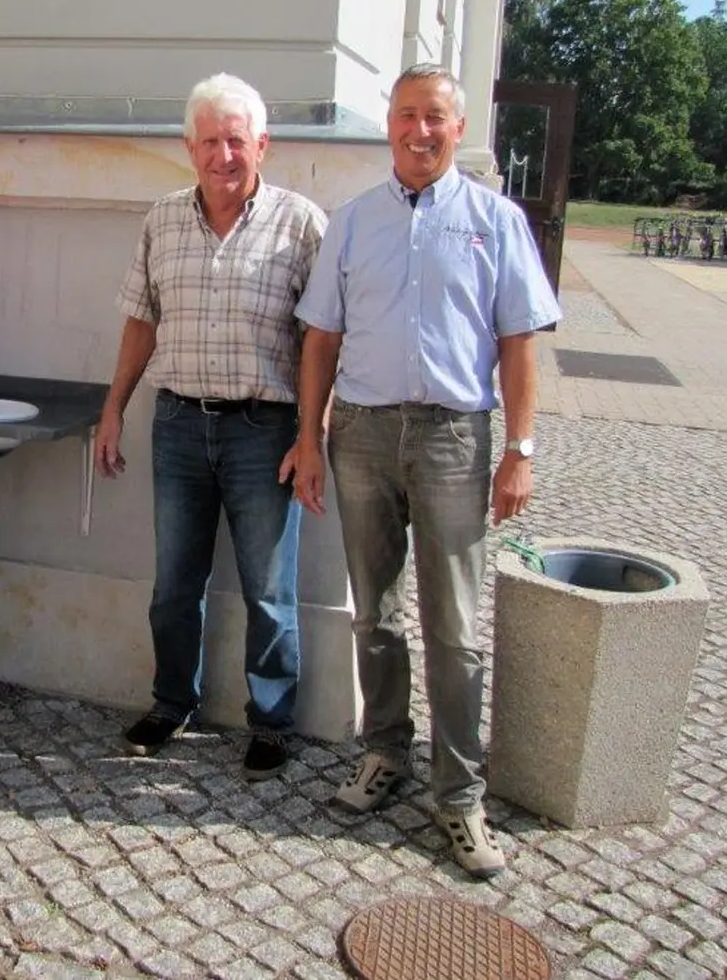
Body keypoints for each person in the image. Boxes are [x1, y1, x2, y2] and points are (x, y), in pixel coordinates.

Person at [281, 63, 562, 879]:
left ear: (457, 126)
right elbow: (320, 340)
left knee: (456, 628)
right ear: (389, 126)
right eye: (406, 115)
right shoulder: (354, 221)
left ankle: (460, 795)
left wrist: (520, 450)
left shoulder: (495, 220)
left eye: (434, 116)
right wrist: (309, 435)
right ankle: (385, 755)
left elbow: (518, 343)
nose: (419, 130)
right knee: (375, 613)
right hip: (362, 435)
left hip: (453, 440)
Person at [95, 73, 326, 781]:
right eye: (209, 140)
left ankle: (273, 720)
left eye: (237, 140)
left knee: (267, 588)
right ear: (188, 147)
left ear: (263, 145)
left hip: (266, 430)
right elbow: (142, 319)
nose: (223, 153)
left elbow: (323, 338)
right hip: (179, 424)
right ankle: (172, 701)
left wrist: (311, 434)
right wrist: (114, 406)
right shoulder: (161, 219)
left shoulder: (301, 222)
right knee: (174, 583)